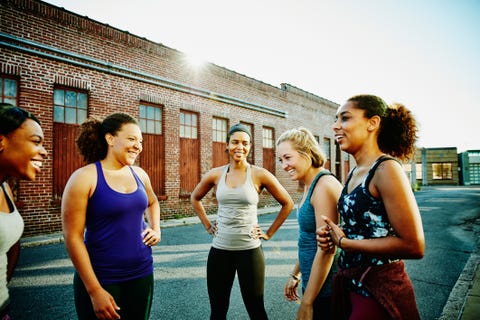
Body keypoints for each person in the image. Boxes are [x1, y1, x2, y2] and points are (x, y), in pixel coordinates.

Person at [316, 94, 425, 320]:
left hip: (379, 291)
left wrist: (346, 243)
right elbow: (366, 229)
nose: (335, 126)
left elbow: (413, 245)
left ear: (372, 123)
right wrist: (334, 236)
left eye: (345, 118)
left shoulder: (386, 170)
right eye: (336, 119)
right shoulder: (354, 172)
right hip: (351, 285)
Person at [61, 113, 160, 320]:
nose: (138, 146)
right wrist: (94, 290)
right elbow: (73, 237)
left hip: (142, 273)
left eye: (140, 141)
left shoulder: (140, 174)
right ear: (110, 139)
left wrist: (156, 228)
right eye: (131, 139)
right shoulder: (84, 178)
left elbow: (153, 202)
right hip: (102, 278)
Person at [191, 123, 294, 320]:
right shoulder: (215, 174)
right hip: (220, 250)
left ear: (250, 147)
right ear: (227, 145)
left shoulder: (259, 174)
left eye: (245, 143)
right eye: (235, 142)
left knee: (256, 311)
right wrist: (207, 224)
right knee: (218, 311)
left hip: (250, 251)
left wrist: (268, 233)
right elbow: (195, 197)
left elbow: (287, 203)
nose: (240, 147)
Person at [277, 127, 342, 320]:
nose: (283, 165)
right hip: (314, 284)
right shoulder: (309, 185)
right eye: (281, 160)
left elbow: (327, 249)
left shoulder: (323, 186)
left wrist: (307, 302)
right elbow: (308, 238)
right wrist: (296, 274)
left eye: (288, 158)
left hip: (328, 290)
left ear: (307, 153)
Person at [0, 103, 47, 320]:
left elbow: (10, 245)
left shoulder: (5, 186)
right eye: (36, 141)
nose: (44, 152)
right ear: (1, 141)